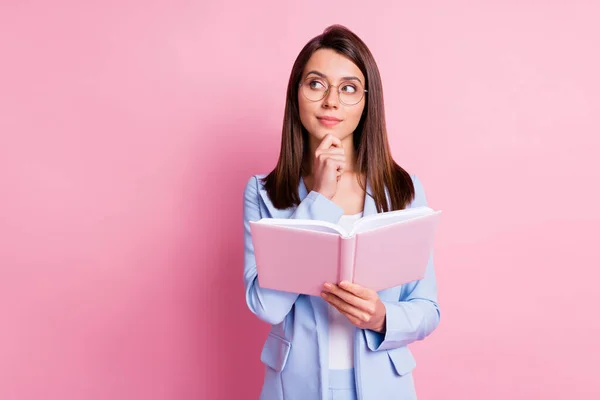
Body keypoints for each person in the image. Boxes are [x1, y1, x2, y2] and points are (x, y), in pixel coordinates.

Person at [242, 24, 440, 400]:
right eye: (316, 84)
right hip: (293, 387)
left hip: (385, 386)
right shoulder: (263, 192)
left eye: (348, 88)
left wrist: (382, 316)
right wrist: (319, 200)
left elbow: (428, 308)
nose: (331, 101)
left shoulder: (403, 190)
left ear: (367, 101)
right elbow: (266, 305)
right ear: (296, 94)